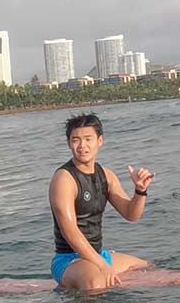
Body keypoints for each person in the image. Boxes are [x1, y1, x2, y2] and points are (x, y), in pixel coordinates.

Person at [49, 112, 154, 291]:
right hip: (69, 260)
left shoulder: (106, 175)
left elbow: (131, 214)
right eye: (75, 140)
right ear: (68, 143)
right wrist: (103, 266)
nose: (82, 145)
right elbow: (70, 232)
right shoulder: (64, 179)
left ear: (100, 141)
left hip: (97, 255)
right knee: (96, 284)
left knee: (147, 267)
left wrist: (140, 190)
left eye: (88, 139)